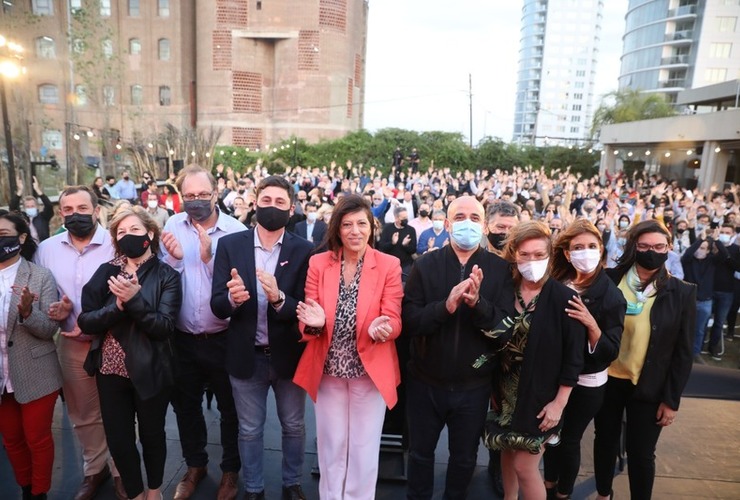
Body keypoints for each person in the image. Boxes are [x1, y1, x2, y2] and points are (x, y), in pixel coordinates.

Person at [293, 194, 403, 500]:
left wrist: (384, 329)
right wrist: (314, 321)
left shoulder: (389, 265)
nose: (355, 231)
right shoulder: (318, 263)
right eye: (347, 224)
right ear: (337, 230)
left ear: (372, 226)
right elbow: (308, 319)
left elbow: (394, 317)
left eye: (361, 223)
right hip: (328, 371)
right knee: (331, 446)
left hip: (369, 372)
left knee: (364, 450)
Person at [210, 176, 314, 500]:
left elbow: (309, 305)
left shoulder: (305, 250)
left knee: (294, 426)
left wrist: (280, 298)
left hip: (288, 356)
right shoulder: (230, 246)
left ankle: (291, 483)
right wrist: (233, 300)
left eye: (280, 202)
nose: (272, 207)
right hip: (246, 355)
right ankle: (254, 487)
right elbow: (216, 304)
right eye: (266, 200)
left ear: (292, 208)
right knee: (250, 430)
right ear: (255, 203)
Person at [402, 195, 511, 499]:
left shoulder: (499, 270)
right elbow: (410, 321)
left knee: (464, 460)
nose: (467, 223)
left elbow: (504, 330)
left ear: (485, 225)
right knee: (420, 456)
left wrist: (478, 305)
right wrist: (445, 307)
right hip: (425, 383)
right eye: (460, 217)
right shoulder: (425, 265)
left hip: (473, 387)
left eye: (475, 218)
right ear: (447, 224)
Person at [78, 207, 182, 500]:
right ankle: (135, 494)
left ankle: (154, 491)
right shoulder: (106, 272)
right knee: (119, 440)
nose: (127, 236)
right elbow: (85, 320)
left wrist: (134, 300)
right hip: (109, 370)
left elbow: (163, 327)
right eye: (121, 232)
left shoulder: (167, 275)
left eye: (134, 230)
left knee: (152, 435)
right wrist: (117, 307)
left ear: (150, 234)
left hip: (151, 370)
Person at [34, 186, 126, 500]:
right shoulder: (46, 249)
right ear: (60, 213)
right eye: (68, 209)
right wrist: (54, 310)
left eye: (82, 208)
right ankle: (94, 469)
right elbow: (42, 293)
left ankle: (121, 471)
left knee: (122, 410)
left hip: (115, 343)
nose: (75, 215)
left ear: (96, 210)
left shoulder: (116, 245)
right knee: (83, 413)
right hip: (72, 343)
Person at [593, 220, 695, 500]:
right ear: (633, 247)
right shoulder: (609, 280)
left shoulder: (681, 292)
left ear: (669, 248)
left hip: (649, 385)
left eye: (659, 246)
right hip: (608, 379)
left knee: (641, 453)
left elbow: (683, 353)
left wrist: (671, 400)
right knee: (605, 441)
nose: (652, 251)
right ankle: (604, 493)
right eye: (645, 246)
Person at [160, 165, 245, 500]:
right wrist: (178, 260)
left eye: (202, 194)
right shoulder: (172, 226)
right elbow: (164, 281)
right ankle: (195, 465)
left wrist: (209, 258)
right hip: (182, 337)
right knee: (186, 406)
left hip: (224, 336)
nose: (196, 201)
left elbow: (237, 290)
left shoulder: (237, 232)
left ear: (216, 193)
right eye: (189, 195)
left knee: (230, 409)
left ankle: (230, 471)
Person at [485, 220, 585, 500]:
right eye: (525, 254)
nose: (532, 260)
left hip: (542, 398)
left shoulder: (565, 299)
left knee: (524, 465)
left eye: (539, 254)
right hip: (503, 391)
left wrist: (559, 403)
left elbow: (574, 358)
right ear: (514, 254)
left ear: (550, 256)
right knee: (506, 453)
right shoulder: (504, 290)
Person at [543, 220, 626, 499]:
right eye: (578, 247)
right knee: (551, 437)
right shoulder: (557, 284)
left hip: (586, 382)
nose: (585, 252)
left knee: (568, 439)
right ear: (567, 253)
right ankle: (548, 483)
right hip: (553, 376)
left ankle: (563, 493)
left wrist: (592, 325)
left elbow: (610, 350)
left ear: (601, 250)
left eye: (591, 246)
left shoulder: (612, 296)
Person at [0, 212, 62, 500]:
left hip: (36, 372)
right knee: (12, 441)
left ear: (21, 238)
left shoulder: (40, 276)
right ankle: (25, 487)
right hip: (2, 377)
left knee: (37, 439)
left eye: (3, 235)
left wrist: (27, 312)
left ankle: (38, 494)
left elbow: (49, 328)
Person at [10, 176, 54, 243]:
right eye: (28, 206)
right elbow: (13, 208)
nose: (30, 208)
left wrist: (37, 190)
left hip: (43, 247)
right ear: (24, 208)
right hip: (28, 250)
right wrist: (20, 191)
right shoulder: (22, 218)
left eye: (32, 206)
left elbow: (49, 206)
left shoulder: (43, 217)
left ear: (37, 206)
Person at [378, 206, 416, 279]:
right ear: (396, 218)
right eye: (403, 218)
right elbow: (382, 247)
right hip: (389, 265)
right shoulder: (387, 229)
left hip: (405, 265)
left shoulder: (411, 230)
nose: (406, 219)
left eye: (406, 217)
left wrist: (405, 245)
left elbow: (413, 249)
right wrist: (392, 243)